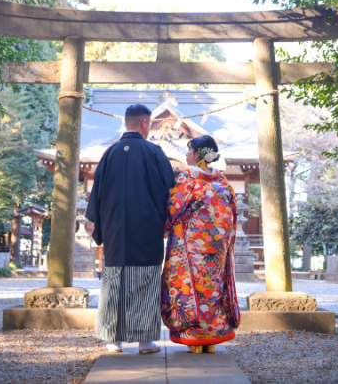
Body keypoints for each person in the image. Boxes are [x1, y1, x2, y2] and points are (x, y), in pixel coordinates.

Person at [85, 104, 176, 354]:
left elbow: (97, 193)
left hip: (114, 230)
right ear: (145, 123)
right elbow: (170, 191)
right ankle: (145, 341)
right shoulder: (155, 152)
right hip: (147, 230)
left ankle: (113, 341)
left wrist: (95, 222)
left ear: (127, 122)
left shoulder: (110, 153)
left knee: (114, 280)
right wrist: (167, 224)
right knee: (146, 280)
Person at [161, 135, 241, 353]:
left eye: (189, 150)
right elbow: (232, 214)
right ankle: (212, 339)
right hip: (218, 249)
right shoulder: (223, 181)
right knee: (214, 289)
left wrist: (164, 230)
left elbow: (173, 209)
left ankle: (195, 338)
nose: (186, 154)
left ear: (198, 154)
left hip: (190, 249)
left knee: (191, 288)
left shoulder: (187, 179)